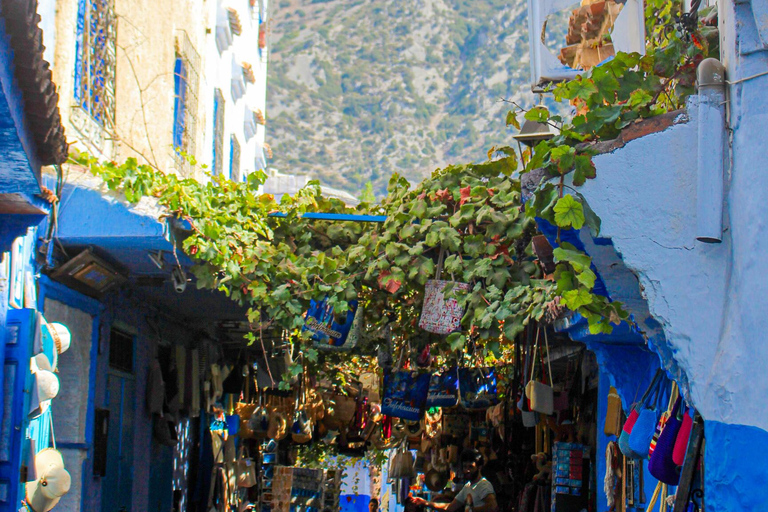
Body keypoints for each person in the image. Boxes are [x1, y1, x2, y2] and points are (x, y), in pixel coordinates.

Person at [410, 449, 497, 512]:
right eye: (465, 467)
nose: (467, 470)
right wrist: (425, 502)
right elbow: (450, 508)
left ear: (479, 467)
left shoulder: (483, 485)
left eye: (471, 467)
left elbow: (493, 507)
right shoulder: (468, 487)